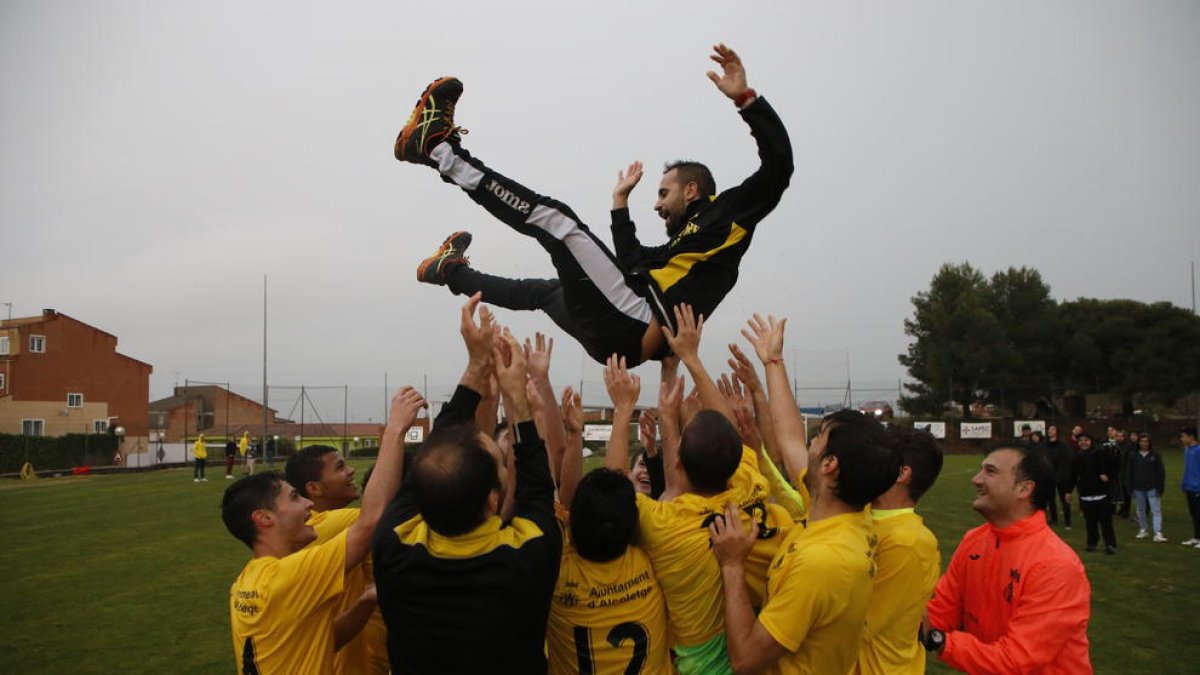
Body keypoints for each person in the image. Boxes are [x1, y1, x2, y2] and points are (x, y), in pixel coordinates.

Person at [396, 43, 792, 367]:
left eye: (663, 194)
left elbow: (779, 168)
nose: (657, 206)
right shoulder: (681, 253)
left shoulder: (729, 214)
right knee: (544, 292)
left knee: (558, 223)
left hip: (632, 321)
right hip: (619, 338)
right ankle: (447, 271)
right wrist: (620, 205)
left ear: (692, 191)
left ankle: (438, 149)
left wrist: (745, 99)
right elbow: (633, 261)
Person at [373, 296, 563, 674]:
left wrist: (477, 365)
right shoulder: (528, 557)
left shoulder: (394, 547)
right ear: (493, 500)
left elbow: (436, 454)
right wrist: (517, 400)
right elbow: (539, 489)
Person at [602, 307, 797, 674]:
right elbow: (727, 430)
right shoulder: (750, 483)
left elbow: (612, 487)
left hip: (704, 665)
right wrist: (690, 360)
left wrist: (622, 409)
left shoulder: (667, 526)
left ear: (677, 463)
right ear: (739, 456)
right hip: (759, 638)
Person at [223, 386, 424, 675]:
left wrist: (366, 600)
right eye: (294, 498)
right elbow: (371, 521)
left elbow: (323, 640)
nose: (307, 504)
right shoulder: (289, 576)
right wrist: (395, 430)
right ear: (264, 518)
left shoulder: (247, 582)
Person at [710, 406, 901, 675]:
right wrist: (757, 448)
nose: (811, 442)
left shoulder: (821, 562)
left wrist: (732, 565)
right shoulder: (845, 515)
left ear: (829, 464)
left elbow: (746, 659)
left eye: (819, 436)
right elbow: (789, 441)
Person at [544, 356, 672, 675]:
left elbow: (574, 499)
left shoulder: (557, 573)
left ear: (570, 524)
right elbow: (616, 493)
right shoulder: (651, 558)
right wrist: (624, 410)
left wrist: (576, 434)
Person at [923, 445, 1092, 673]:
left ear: (1024, 489)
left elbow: (1016, 660)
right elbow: (942, 610)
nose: (976, 479)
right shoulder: (974, 541)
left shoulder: (1055, 565)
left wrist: (939, 640)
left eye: (990, 472)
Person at [286, 445, 389, 675]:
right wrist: (396, 431)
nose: (351, 471)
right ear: (314, 488)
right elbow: (379, 513)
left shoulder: (317, 528)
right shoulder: (328, 526)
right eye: (340, 467)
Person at [853, 424, 943, 675]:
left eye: (878, 454)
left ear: (902, 473)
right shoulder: (860, 511)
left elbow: (860, 626)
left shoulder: (909, 542)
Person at [1074, 432, 1118, 553]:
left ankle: (1110, 544)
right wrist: (1069, 490)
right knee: (1090, 523)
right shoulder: (1078, 456)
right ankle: (1092, 543)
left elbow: (1114, 465)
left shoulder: (1100, 453)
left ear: (1091, 441)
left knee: (1106, 523)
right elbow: (1073, 474)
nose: (1083, 443)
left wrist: (1106, 475)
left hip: (1101, 494)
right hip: (1086, 495)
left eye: (1086, 440)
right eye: (1081, 441)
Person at [1128, 433, 1167, 542]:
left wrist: (1160, 487)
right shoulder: (1134, 455)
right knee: (1140, 510)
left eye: (1146, 441)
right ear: (1138, 442)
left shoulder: (1155, 455)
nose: (1144, 443)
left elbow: (1160, 472)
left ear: (1149, 443)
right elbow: (1130, 472)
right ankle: (1143, 529)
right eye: (1142, 441)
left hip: (1152, 487)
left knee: (1156, 510)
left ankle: (1158, 532)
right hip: (1138, 487)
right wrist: (1130, 487)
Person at [1044, 424, 1073, 529]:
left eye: (1052, 429)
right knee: (1050, 499)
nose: (1050, 431)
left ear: (1057, 431)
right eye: (1049, 429)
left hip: (1062, 476)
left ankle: (1067, 521)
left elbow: (1067, 461)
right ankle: (1054, 519)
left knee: (1064, 499)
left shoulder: (1063, 446)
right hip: (1049, 476)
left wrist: (1063, 474)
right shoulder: (1044, 445)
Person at [1181, 427, 1200, 548]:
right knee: (1194, 514)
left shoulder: (1199, 450)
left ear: (1191, 437)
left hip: (1198, 487)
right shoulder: (1187, 449)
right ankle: (1196, 537)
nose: (1181, 439)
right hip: (1189, 487)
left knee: (1199, 514)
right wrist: (1184, 483)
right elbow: (1187, 468)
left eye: (1183, 436)